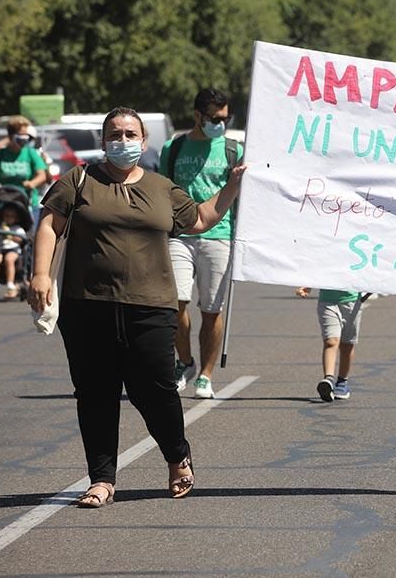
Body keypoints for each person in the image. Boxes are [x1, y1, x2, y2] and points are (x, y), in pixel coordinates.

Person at [28, 107, 245, 508]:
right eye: (115, 133)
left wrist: (233, 185)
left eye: (130, 134)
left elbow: (200, 219)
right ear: (103, 139)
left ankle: (177, 453)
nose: (122, 140)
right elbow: (49, 224)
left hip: (150, 308)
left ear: (144, 142)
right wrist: (41, 274)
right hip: (87, 306)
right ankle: (101, 479)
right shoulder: (78, 180)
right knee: (95, 394)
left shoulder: (163, 188)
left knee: (156, 391)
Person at [161, 88, 243, 400]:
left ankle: (206, 375)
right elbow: (163, 189)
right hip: (180, 234)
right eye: (214, 118)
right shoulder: (175, 146)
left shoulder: (235, 149)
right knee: (174, 303)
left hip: (219, 235)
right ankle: (186, 362)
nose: (220, 123)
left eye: (226, 118)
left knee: (211, 310)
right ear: (197, 116)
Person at [294, 287, 368, 402]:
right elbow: (320, 269)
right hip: (327, 302)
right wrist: (307, 285)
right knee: (331, 341)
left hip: (352, 303)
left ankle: (342, 381)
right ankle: (328, 379)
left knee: (347, 345)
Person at [0, 116, 48, 228]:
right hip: (5, 202)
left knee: (32, 236)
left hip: (27, 202)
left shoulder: (30, 153)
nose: (23, 143)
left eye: (26, 139)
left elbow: (42, 176)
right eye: (20, 139)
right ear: (11, 137)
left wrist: (32, 183)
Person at [0, 206, 27, 298]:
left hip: (13, 249)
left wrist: (11, 237)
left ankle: (10, 282)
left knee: (9, 259)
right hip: (0, 248)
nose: (9, 218)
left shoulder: (17, 229)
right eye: (6, 216)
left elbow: (22, 240)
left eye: (11, 216)